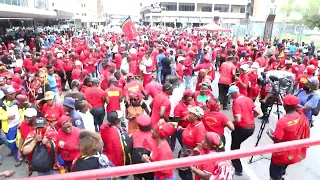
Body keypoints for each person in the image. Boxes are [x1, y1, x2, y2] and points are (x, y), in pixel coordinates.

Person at [267, 95, 310, 180]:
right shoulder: (300, 115)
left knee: (275, 173)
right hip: (293, 152)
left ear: (285, 106)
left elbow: (277, 139)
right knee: (283, 169)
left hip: (281, 154)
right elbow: (301, 108)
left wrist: (270, 135)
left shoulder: (282, 121)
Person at [227, 85, 260, 176]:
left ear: (234, 93)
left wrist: (230, 123)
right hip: (251, 127)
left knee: (234, 147)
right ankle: (236, 162)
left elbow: (238, 119)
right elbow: (258, 111)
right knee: (236, 144)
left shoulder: (236, 102)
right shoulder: (248, 99)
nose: (231, 96)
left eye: (231, 94)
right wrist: (250, 118)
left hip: (242, 128)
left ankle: (238, 169)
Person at [180, 106, 206, 180]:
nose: (188, 114)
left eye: (191, 113)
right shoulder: (191, 123)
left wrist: (189, 157)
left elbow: (199, 146)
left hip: (190, 151)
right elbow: (191, 131)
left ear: (196, 117)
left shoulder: (200, 128)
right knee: (182, 170)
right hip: (185, 149)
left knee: (185, 172)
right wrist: (183, 129)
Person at [131, 114, 154, 180]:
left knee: (137, 176)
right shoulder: (154, 137)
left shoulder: (134, 135)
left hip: (136, 162)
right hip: (148, 163)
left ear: (138, 125)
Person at [1, 86, 20, 161]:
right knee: (11, 143)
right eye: (11, 94)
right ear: (6, 94)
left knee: (19, 141)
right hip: (9, 127)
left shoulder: (17, 100)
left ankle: (17, 153)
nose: (14, 94)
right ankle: (17, 156)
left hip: (18, 124)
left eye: (14, 93)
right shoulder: (1, 103)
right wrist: (6, 117)